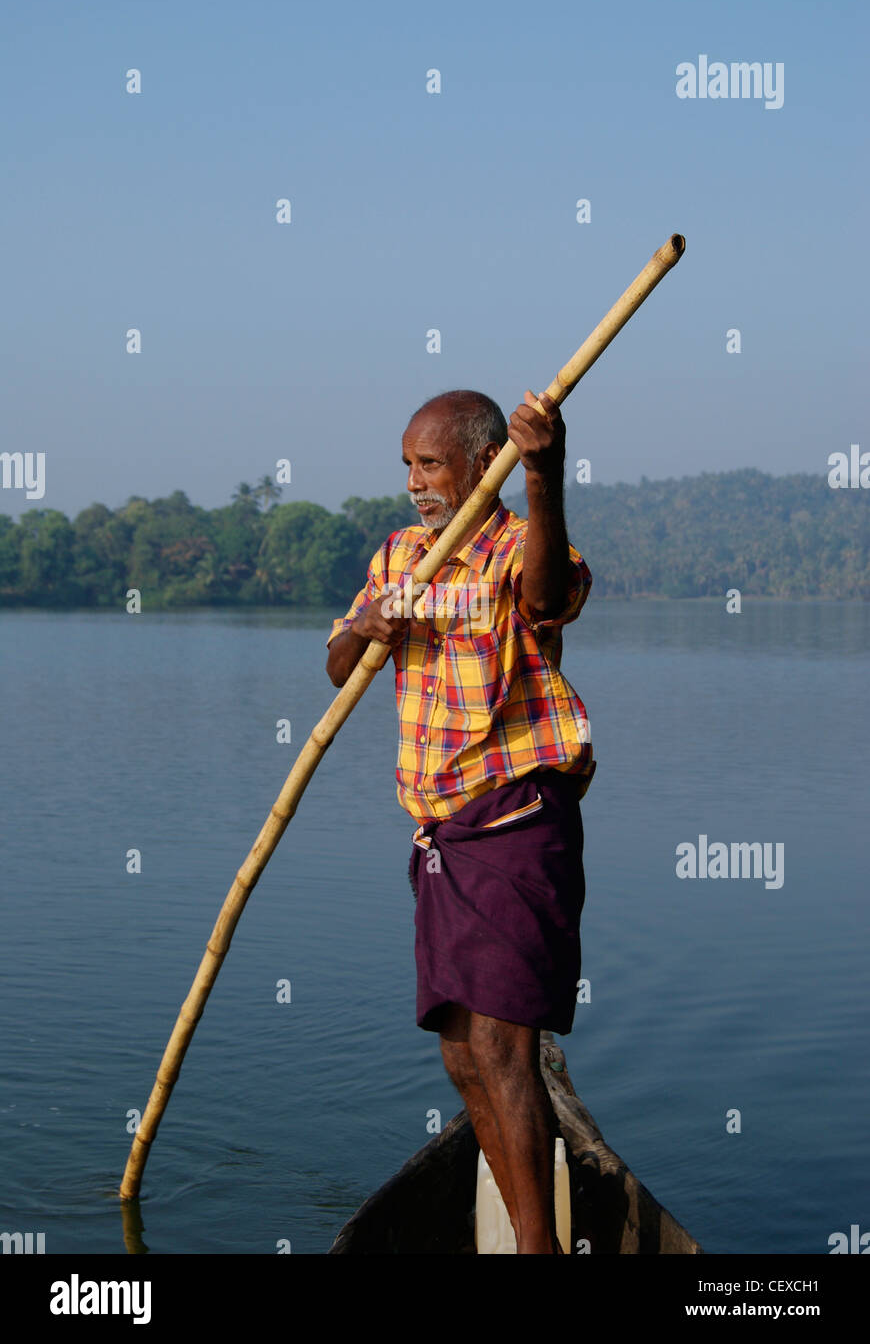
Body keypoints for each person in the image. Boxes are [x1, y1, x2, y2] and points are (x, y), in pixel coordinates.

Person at [326, 388, 595, 1254]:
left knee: (504, 1043)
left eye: (430, 463)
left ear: (486, 463)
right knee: (460, 1051)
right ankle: (524, 1228)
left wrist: (546, 475)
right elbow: (338, 665)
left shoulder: (521, 546)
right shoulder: (402, 554)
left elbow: (550, 599)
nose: (415, 483)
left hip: (515, 819)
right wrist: (368, 625)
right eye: (407, 465)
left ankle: (537, 1250)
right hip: (440, 836)